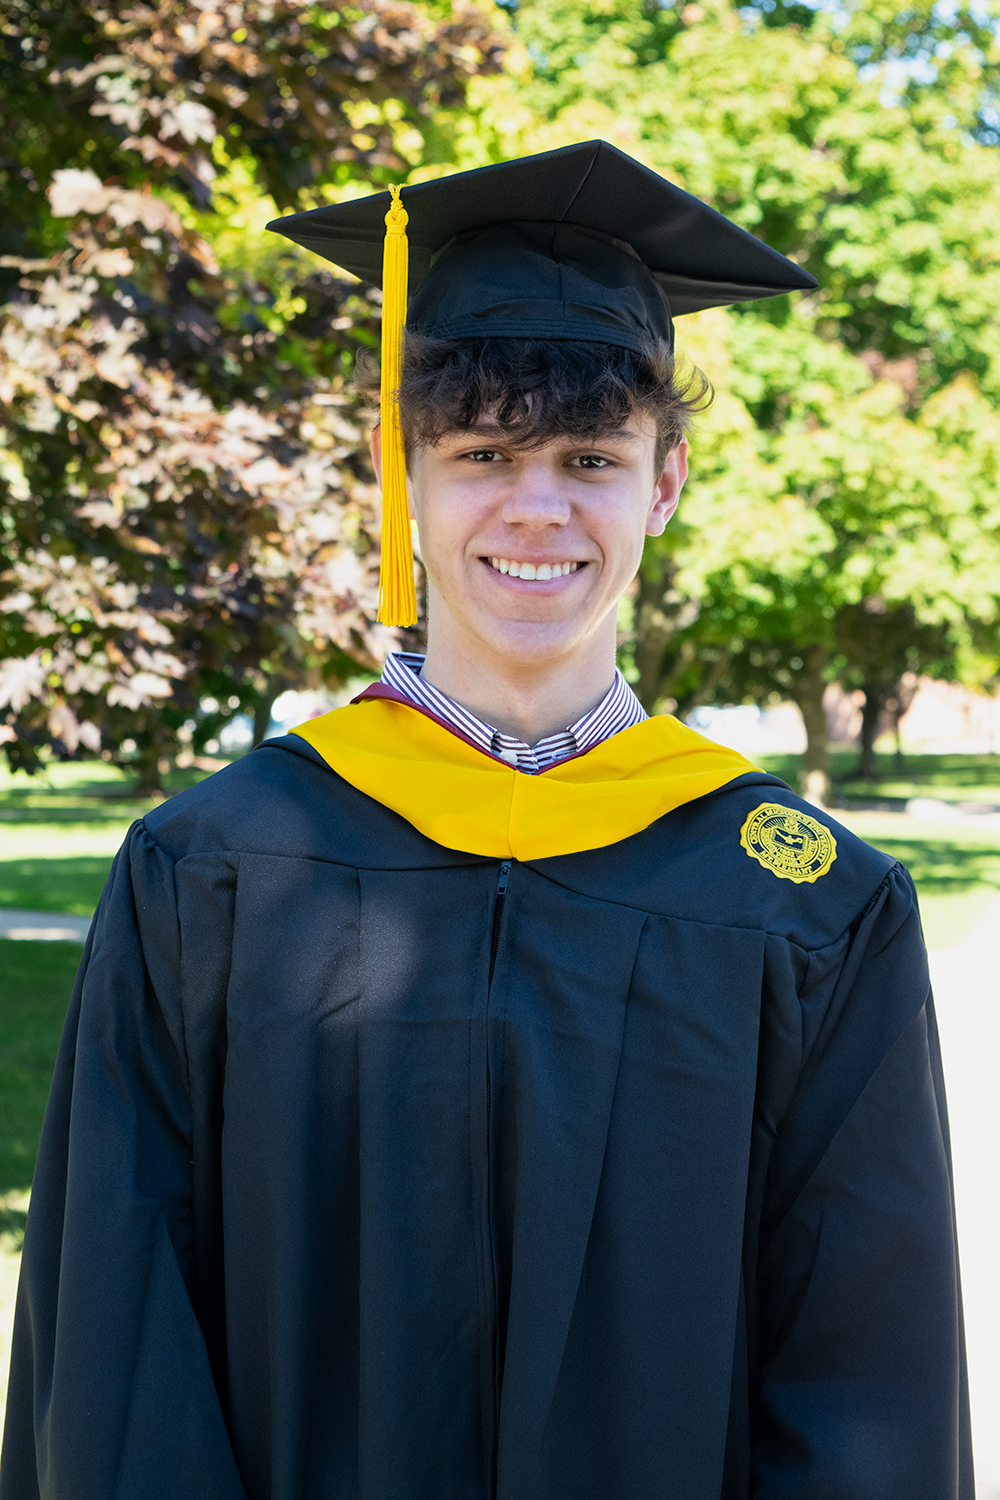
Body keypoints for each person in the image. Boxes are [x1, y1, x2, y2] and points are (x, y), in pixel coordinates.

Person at [0, 140, 972, 1500]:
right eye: (483, 450)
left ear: (667, 482)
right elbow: (120, 1346)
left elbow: (864, 1385)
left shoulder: (806, 909)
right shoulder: (214, 868)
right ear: (407, 472)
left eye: (590, 454)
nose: (538, 505)